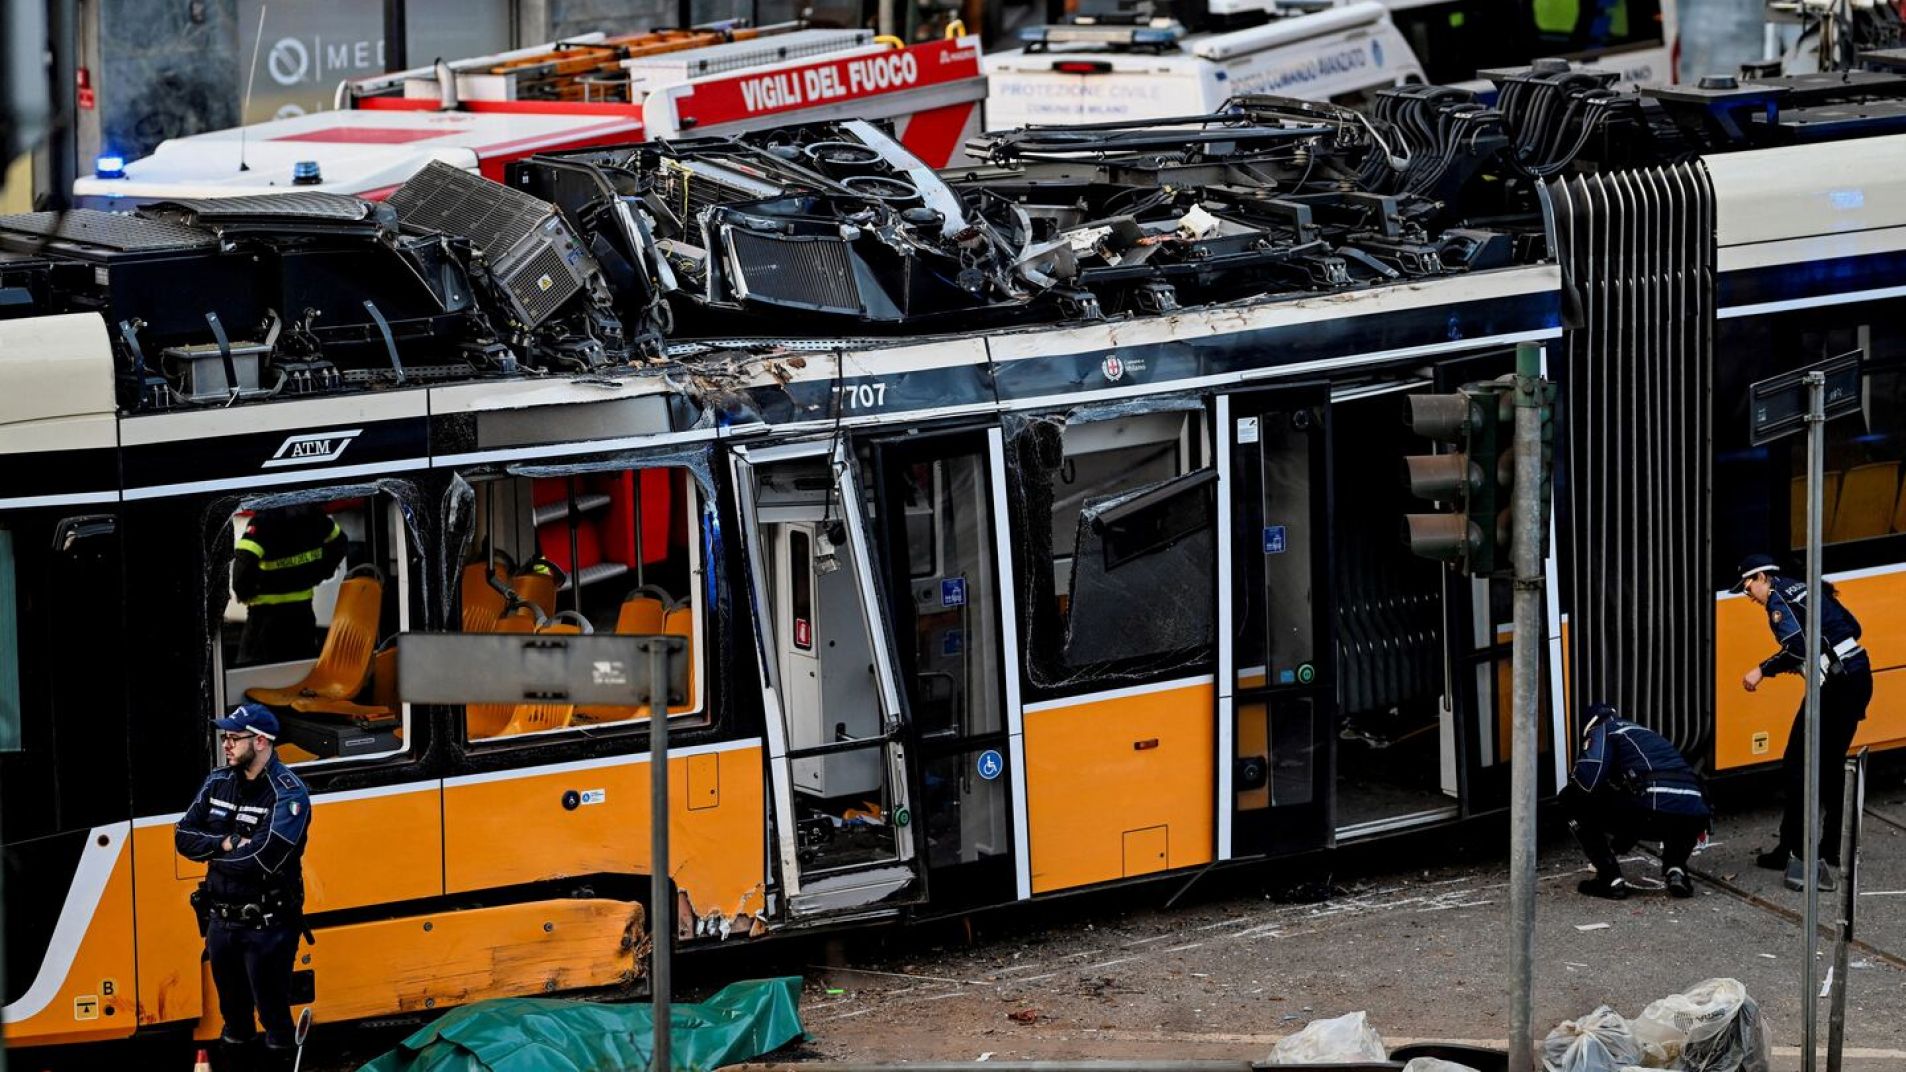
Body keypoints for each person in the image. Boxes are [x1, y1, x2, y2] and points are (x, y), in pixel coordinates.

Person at [176, 703, 313, 1069]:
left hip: (268, 926)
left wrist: (215, 852)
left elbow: (262, 860)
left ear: (263, 742)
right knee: (233, 1019)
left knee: (274, 1018)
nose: (227, 744)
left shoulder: (289, 794)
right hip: (221, 924)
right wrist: (224, 843)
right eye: (225, 737)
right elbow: (182, 837)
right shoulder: (217, 781)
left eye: (234, 738)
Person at [1734, 552, 1872, 892]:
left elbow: (1797, 648)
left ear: (1763, 577)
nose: (1748, 594)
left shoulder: (1778, 601)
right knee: (1829, 765)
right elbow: (1854, 627)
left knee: (1798, 764)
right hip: (1855, 677)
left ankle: (1791, 849)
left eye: (1748, 585)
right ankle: (1833, 846)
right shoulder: (1805, 588)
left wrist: (1761, 670)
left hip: (1837, 687)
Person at [1562, 702, 1711, 899]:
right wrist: (1622, 842)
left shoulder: (1603, 728)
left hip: (1654, 805)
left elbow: (1590, 779)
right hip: (1696, 812)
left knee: (1570, 798)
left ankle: (1610, 879)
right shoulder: (1642, 732)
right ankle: (1676, 871)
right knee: (1668, 805)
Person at [232, 503, 346, 664]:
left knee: (250, 675)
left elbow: (244, 563)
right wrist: (321, 573)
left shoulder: (263, 522)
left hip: (264, 621)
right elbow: (340, 542)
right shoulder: (313, 516)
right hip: (302, 616)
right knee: (299, 671)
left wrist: (244, 592)